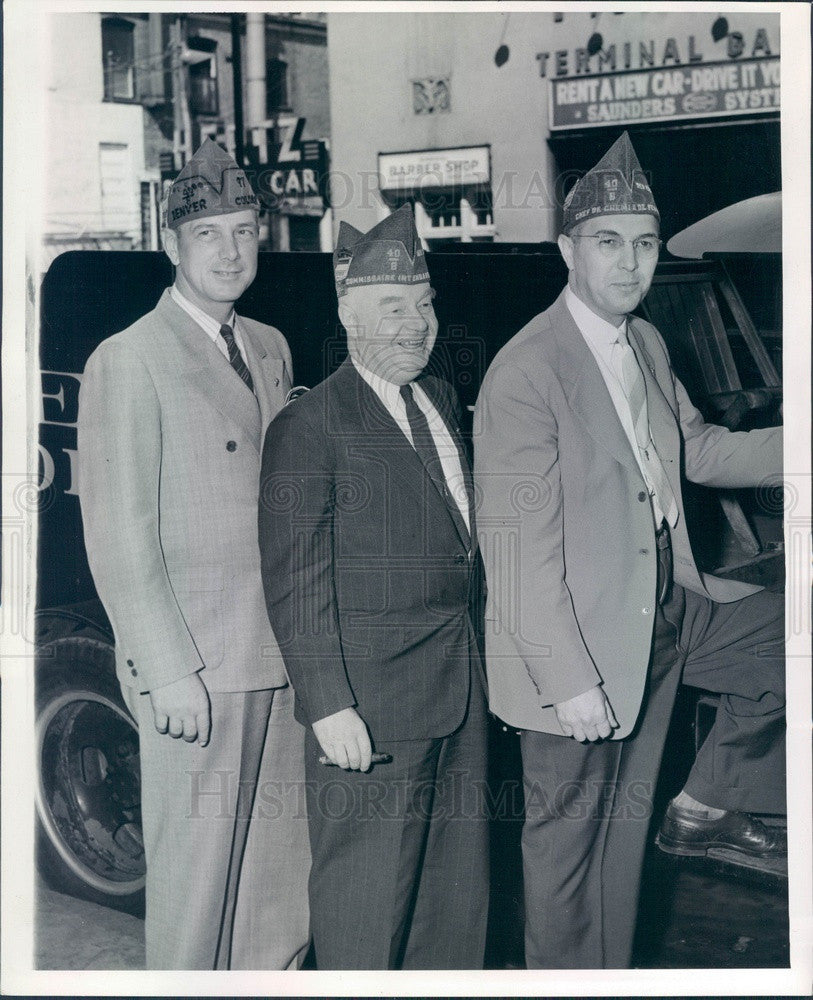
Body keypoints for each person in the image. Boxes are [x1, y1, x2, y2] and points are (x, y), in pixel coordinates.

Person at [474, 132, 785, 969]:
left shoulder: (644, 344)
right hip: (577, 642)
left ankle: (705, 801)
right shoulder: (526, 370)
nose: (629, 264)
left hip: (665, 608)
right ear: (567, 251)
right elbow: (512, 548)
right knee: (575, 853)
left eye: (644, 245)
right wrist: (567, 678)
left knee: (786, 646)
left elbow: (703, 451)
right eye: (607, 243)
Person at [77, 139, 310, 970]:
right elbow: (118, 531)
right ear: (171, 245)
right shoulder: (129, 359)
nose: (231, 250)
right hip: (199, 666)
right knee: (198, 883)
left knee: (278, 885)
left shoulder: (272, 345)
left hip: (279, 654)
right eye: (208, 233)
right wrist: (164, 666)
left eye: (245, 230)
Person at [258, 205, 489, 970]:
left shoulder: (438, 398)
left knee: (452, 901)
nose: (418, 324)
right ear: (348, 315)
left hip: (457, 692)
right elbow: (296, 579)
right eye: (394, 308)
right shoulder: (311, 425)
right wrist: (327, 705)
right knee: (365, 904)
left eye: (425, 305)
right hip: (372, 707)